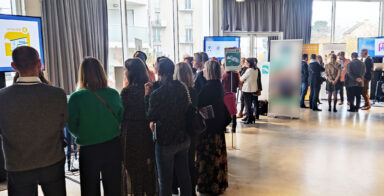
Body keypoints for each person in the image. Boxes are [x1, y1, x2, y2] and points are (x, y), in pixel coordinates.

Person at [0, 46, 67, 195]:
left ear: (13, 66)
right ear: (39, 64)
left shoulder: (2, 97)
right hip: (52, 162)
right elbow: (62, 124)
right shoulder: (58, 94)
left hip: (18, 165)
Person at [68, 57, 124, 196]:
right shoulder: (113, 93)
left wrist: (83, 134)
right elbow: (120, 117)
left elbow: (71, 125)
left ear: (82, 74)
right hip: (113, 145)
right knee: (114, 187)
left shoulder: (76, 97)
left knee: (89, 188)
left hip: (89, 148)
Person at [145, 57, 191, 196]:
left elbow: (150, 116)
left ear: (158, 73)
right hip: (183, 137)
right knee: (184, 176)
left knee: (165, 181)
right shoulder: (182, 88)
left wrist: (146, 96)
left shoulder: (156, 94)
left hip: (165, 141)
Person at [120, 58, 157, 196]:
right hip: (147, 133)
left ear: (131, 72)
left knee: (134, 172)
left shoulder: (127, 92)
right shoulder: (151, 88)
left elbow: (120, 113)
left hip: (131, 135)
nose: (124, 72)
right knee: (148, 169)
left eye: (126, 69)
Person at [196, 60, 229, 195]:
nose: (203, 70)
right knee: (218, 157)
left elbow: (199, 105)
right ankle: (219, 183)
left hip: (208, 129)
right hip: (218, 127)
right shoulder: (218, 85)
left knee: (208, 159)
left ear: (208, 70)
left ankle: (208, 186)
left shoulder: (208, 87)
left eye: (204, 68)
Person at [173, 62, 198, 196]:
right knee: (189, 162)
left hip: (177, 130)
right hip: (191, 131)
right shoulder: (193, 91)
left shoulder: (174, 92)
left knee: (177, 163)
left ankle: (175, 187)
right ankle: (191, 190)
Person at [240, 58, 262, 124]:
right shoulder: (256, 70)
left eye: (246, 62)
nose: (245, 63)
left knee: (248, 105)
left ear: (249, 63)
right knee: (249, 105)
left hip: (247, 89)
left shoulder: (249, 70)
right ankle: (250, 118)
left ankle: (249, 119)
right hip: (252, 89)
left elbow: (241, 79)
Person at [222, 62, 240, 132]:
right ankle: (234, 127)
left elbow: (222, 85)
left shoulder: (224, 75)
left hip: (225, 94)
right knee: (233, 111)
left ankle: (225, 126)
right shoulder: (235, 74)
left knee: (225, 111)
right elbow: (238, 83)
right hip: (233, 94)